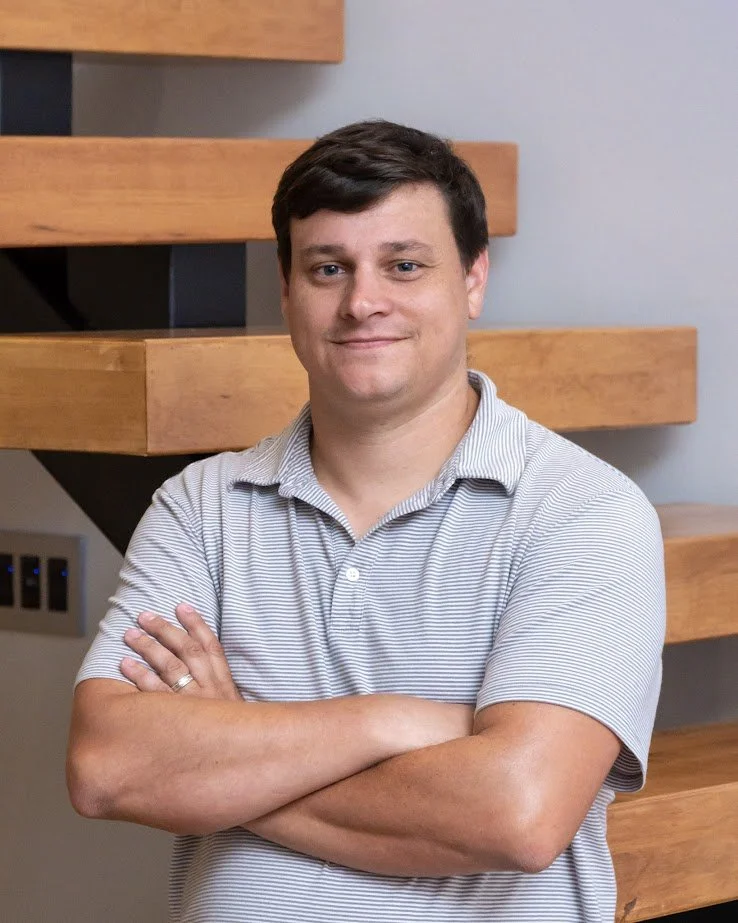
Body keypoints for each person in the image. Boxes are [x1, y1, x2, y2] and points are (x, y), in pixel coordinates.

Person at [67, 119, 666, 923]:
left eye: (404, 265)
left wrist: (233, 751)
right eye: (327, 268)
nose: (362, 302)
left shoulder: (580, 510)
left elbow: (518, 812)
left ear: (474, 279)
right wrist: (395, 719)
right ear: (286, 291)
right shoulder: (200, 506)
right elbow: (109, 765)